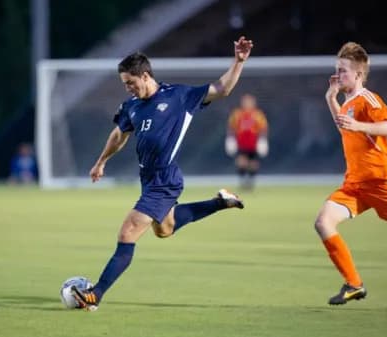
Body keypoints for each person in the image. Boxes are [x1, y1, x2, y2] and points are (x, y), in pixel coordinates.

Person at [71, 36, 253, 311]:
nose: (129, 89)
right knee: (164, 229)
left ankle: (96, 294)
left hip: (165, 181)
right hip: (149, 181)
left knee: (128, 232)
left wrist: (238, 62)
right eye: (125, 85)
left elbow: (222, 88)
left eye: (131, 82)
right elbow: (119, 134)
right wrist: (101, 162)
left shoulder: (179, 96)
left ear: (145, 76)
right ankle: (220, 202)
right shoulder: (131, 106)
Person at [314, 42, 387, 305]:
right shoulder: (349, 102)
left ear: (359, 75)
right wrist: (331, 98)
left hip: (379, 181)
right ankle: (354, 284)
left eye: (343, 71)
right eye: (337, 70)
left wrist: (359, 124)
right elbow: (347, 130)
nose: (338, 75)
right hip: (355, 184)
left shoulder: (368, 99)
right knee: (323, 222)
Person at [225, 93, 268, 190]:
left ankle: (251, 183)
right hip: (242, 143)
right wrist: (230, 139)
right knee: (241, 162)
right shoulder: (237, 114)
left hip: (253, 143)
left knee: (253, 164)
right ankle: (242, 181)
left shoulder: (258, 114)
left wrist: (263, 140)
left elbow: (263, 128)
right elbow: (231, 127)